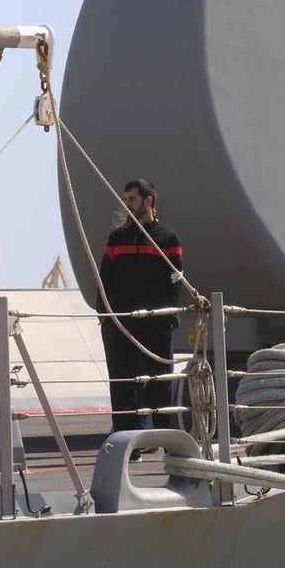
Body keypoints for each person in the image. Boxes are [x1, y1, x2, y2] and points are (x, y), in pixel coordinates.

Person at [96, 179, 183, 458]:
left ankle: (164, 440)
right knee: (122, 385)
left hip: (156, 323)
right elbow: (105, 278)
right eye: (126, 199)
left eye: (132, 199)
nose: (127, 204)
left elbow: (175, 280)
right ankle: (127, 447)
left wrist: (169, 314)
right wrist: (104, 315)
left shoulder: (168, 238)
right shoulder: (117, 238)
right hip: (120, 323)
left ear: (148, 201)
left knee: (160, 383)